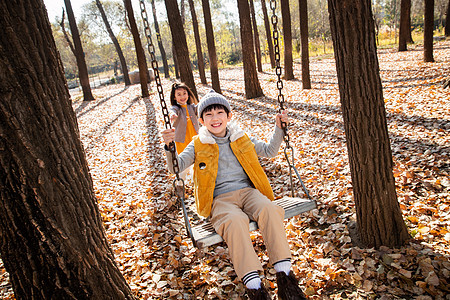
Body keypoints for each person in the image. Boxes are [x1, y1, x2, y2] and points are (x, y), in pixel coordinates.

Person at [161, 90, 306, 300]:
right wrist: (169, 146)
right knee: (235, 221)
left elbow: (269, 151)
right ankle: (255, 287)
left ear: (229, 116)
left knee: (270, 209)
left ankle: (285, 276)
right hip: (219, 199)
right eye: (208, 115)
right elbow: (176, 167)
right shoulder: (197, 144)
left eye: (220, 112)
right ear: (201, 120)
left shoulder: (241, 137)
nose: (215, 118)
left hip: (248, 193)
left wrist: (279, 128)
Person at [168, 82, 199, 184]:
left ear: (188, 95)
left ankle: (195, 181)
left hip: (194, 139)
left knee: (197, 161)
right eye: (179, 94)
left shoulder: (192, 107)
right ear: (174, 97)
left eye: (184, 93)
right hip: (182, 141)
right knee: (184, 164)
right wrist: (172, 114)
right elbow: (172, 110)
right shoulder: (177, 109)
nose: (182, 96)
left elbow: (200, 108)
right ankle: (180, 183)